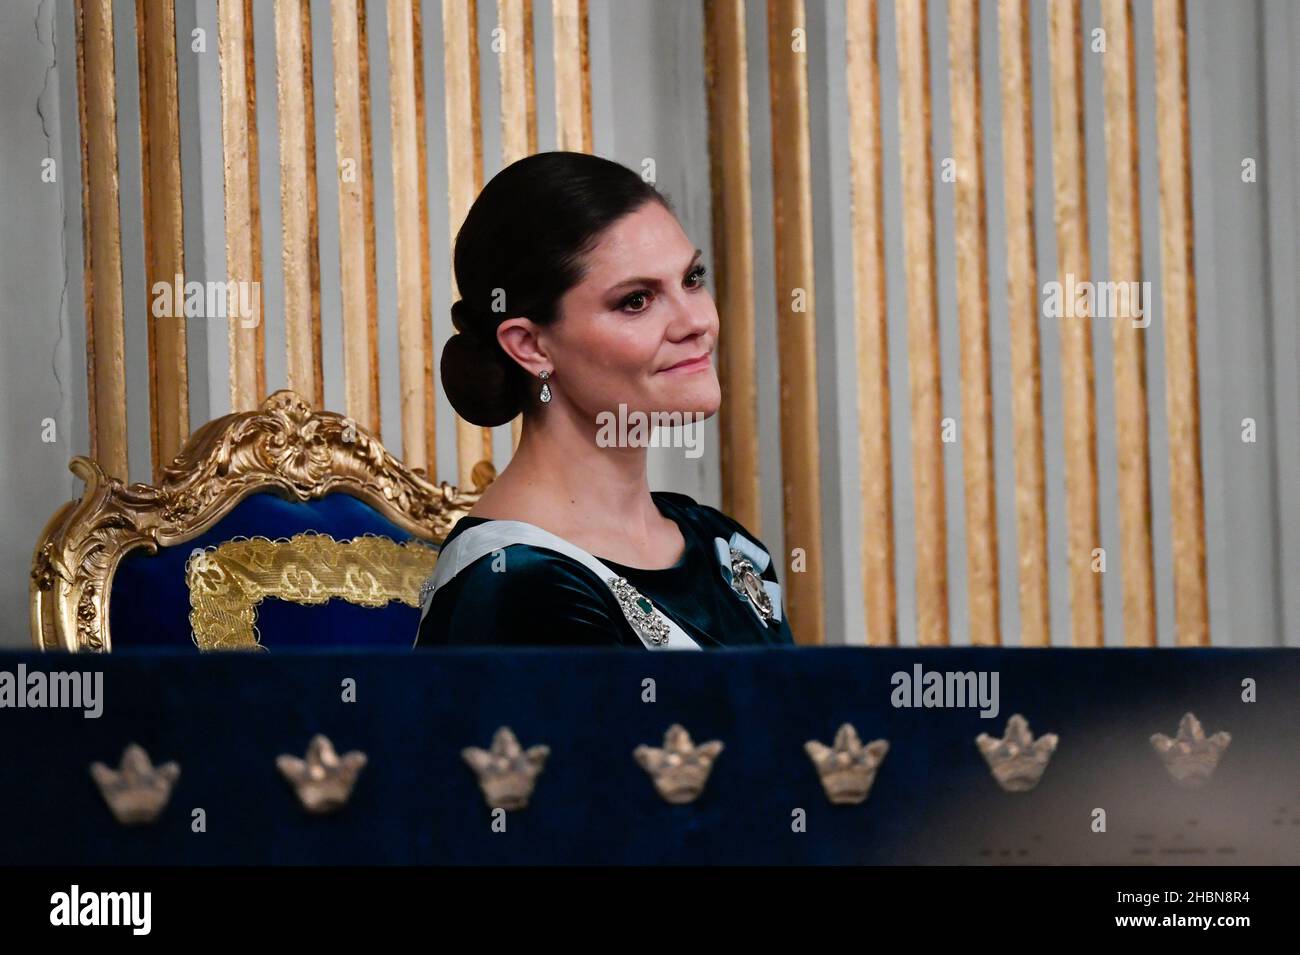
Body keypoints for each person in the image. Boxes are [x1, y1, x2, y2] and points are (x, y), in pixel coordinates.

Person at [415, 151, 795, 650]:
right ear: (530, 346)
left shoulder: (721, 544)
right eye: (636, 300)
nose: (696, 322)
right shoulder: (518, 588)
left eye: (692, 280)